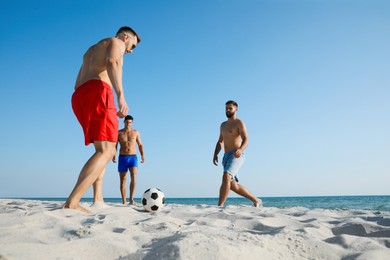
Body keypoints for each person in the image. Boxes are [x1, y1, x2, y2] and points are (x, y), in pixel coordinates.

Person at [63, 26, 141, 213]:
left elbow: (77, 83)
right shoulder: (117, 43)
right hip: (98, 91)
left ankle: (98, 197)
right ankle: (72, 202)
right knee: (107, 150)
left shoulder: (91, 50)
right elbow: (113, 61)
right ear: (125, 37)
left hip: (80, 96)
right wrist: (120, 95)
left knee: (102, 149)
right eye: (133, 45)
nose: (130, 51)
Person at [213, 100, 261, 207]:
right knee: (233, 185)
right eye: (226, 108)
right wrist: (215, 154)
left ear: (236, 109)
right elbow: (220, 141)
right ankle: (256, 200)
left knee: (226, 177)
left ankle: (219, 206)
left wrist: (241, 149)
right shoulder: (223, 125)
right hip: (225, 157)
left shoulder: (239, 122)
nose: (228, 110)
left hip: (236, 155)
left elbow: (246, 139)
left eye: (230, 108)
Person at [113, 115, 145, 205]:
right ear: (124, 122)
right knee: (123, 179)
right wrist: (114, 155)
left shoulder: (136, 132)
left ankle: (131, 199)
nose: (128, 124)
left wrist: (142, 155)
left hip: (133, 157)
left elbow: (140, 145)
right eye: (127, 122)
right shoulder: (118, 133)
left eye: (130, 122)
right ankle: (124, 201)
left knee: (134, 176)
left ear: (132, 123)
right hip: (122, 157)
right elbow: (115, 145)